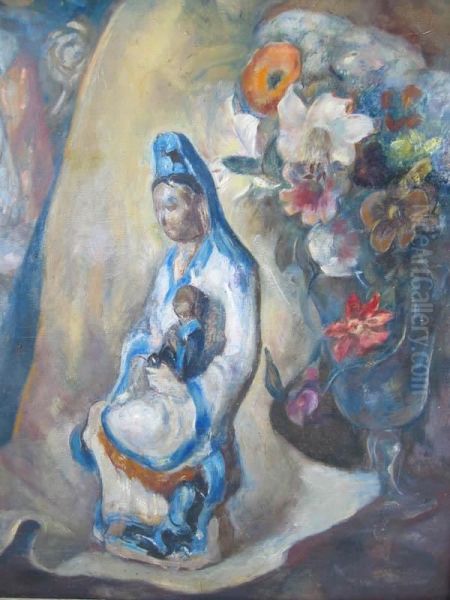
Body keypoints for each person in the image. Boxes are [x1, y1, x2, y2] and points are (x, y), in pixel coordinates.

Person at [80, 132, 260, 563]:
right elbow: (147, 326)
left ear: (200, 204)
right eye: (159, 207)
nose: (163, 217)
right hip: (158, 386)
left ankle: (183, 530)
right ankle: (139, 521)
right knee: (102, 420)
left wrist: (187, 390)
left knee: (155, 431)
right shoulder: (169, 265)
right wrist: (144, 358)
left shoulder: (233, 268)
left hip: (196, 402)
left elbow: (240, 357)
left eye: (172, 205)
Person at [147, 284, 210, 381]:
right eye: (179, 315)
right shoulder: (177, 327)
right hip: (171, 363)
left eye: (185, 315)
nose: (182, 318)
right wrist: (161, 355)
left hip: (182, 371)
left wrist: (178, 345)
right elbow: (167, 345)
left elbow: (185, 367)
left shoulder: (196, 334)